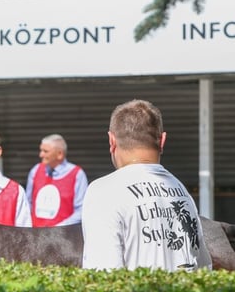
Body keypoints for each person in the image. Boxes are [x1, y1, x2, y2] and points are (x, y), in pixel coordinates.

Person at [81, 99, 211, 272]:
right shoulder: (181, 191)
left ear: (112, 141)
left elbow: (104, 275)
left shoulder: (102, 192)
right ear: (162, 140)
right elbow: (203, 269)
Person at [26, 133, 88, 227]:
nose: (41, 155)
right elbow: (28, 204)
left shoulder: (77, 175)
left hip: (64, 236)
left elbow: (81, 210)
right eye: (41, 150)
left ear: (59, 154)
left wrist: (58, 228)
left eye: (45, 151)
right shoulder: (35, 171)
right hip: (36, 235)